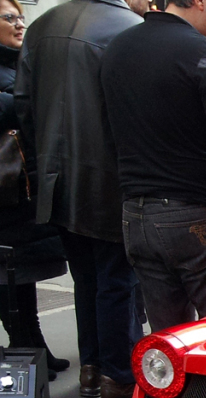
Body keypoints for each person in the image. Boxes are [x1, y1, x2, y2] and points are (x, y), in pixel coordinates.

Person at [101, 0, 206, 341]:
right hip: (194, 213)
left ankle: (172, 396)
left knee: (170, 342)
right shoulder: (204, 53)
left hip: (136, 214)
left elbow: (107, 133)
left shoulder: (117, 48)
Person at [15, 0, 147, 398]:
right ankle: (117, 375)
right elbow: (137, 113)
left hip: (57, 176)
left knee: (87, 278)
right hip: (109, 176)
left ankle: (92, 369)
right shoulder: (128, 27)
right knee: (116, 280)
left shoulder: (42, 26)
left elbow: (25, 107)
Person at [0, 0, 68, 377]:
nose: (19, 24)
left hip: (21, 188)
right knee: (6, 275)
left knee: (21, 273)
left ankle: (33, 345)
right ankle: (23, 348)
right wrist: (25, 100)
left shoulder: (17, 65)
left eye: (21, 17)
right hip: (5, 191)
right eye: (9, 18)